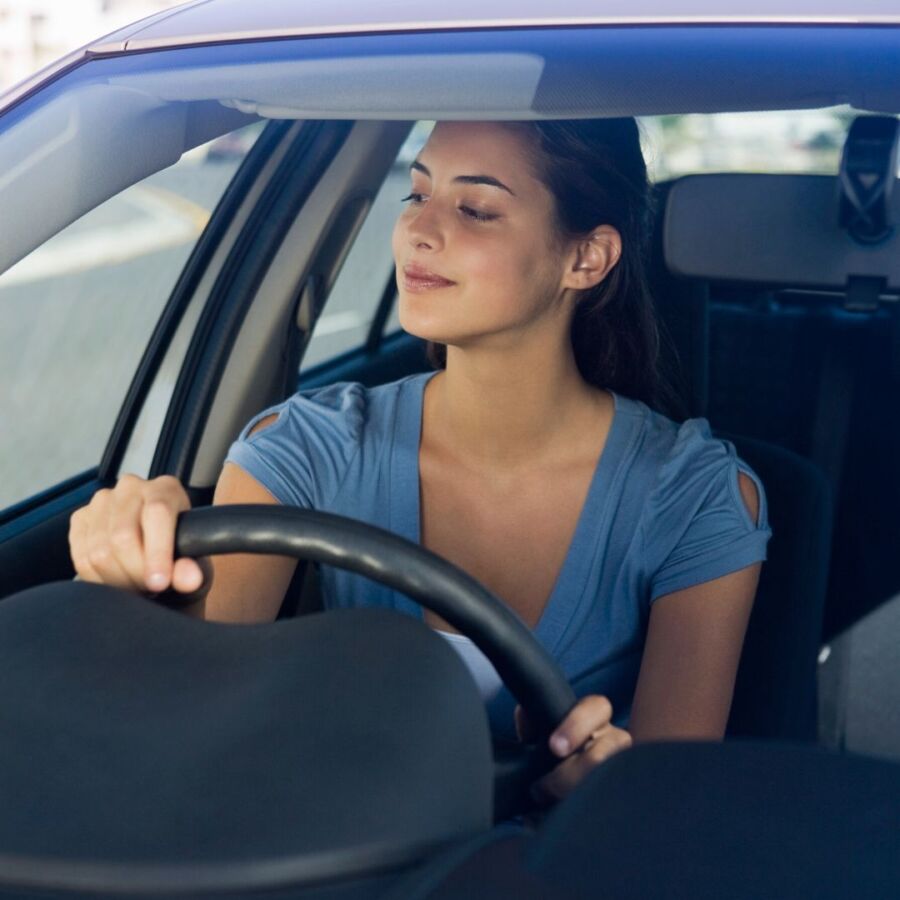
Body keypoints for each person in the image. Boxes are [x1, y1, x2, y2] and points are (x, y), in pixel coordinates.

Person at [68, 118, 771, 806]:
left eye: (475, 208)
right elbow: (197, 716)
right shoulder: (306, 445)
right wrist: (141, 574)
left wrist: (604, 793)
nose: (418, 231)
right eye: (417, 193)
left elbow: (672, 813)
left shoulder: (698, 497)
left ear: (585, 258)